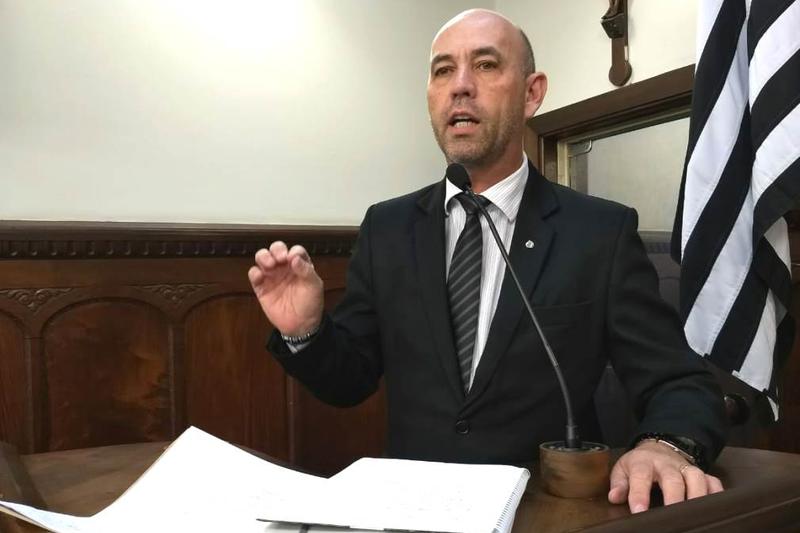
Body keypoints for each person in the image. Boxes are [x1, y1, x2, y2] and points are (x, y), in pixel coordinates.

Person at [248, 9, 727, 514]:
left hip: (549, 512)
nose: (460, 86)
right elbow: (350, 380)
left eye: (485, 65)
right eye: (443, 70)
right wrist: (305, 332)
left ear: (532, 93)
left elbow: (678, 381)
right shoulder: (387, 227)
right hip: (413, 512)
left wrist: (663, 446)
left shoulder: (599, 233)